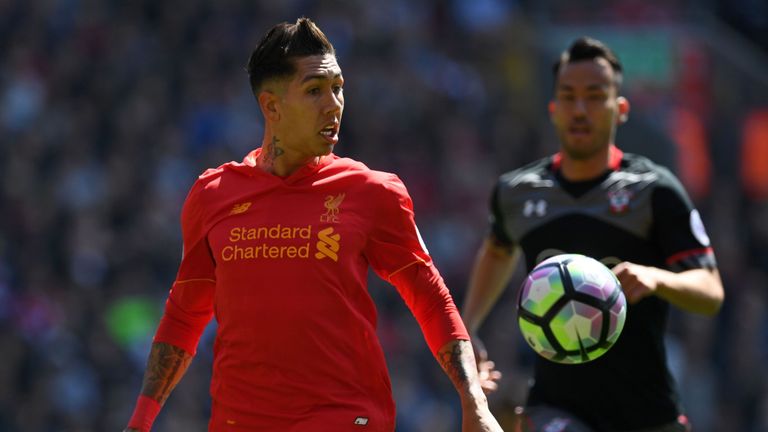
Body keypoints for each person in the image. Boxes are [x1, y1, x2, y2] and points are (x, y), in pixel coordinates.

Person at [124, 17, 503, 432]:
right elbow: (184, 316)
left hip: (345, 420)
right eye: (315, 91)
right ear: (271, 106)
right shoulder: (212, 195)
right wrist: (140, 423)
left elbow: (431, 298)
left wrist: (474, 402)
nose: (334, 104)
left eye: (338, 88)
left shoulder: (371, 192)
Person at [461, 37, 724, 432]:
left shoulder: (655, 189)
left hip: (648, 413)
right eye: (568, 96)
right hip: (555, 408)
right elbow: (498, 250)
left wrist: (656, 278)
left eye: (595, 96)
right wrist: (468, 331)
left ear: (620, 110)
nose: (579, 109)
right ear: (553, 109)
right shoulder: (516, 192)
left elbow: (710, 292)